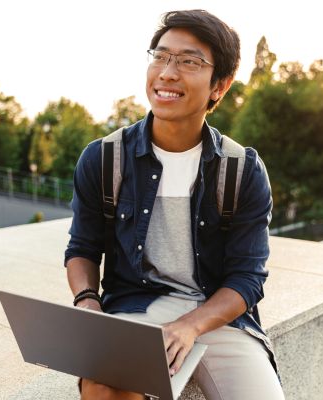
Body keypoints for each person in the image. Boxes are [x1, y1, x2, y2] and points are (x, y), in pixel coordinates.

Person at [64, 9, 285, 400]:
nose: (167, 72)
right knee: (104, 391)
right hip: (134, 310)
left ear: (220, 85)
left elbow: (247, 279)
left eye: (189, 61)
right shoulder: (103, 158)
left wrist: (190, 325)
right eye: (161, 56)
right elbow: (82, 248)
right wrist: (86, 303)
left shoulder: (242, 170)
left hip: (216, 320)